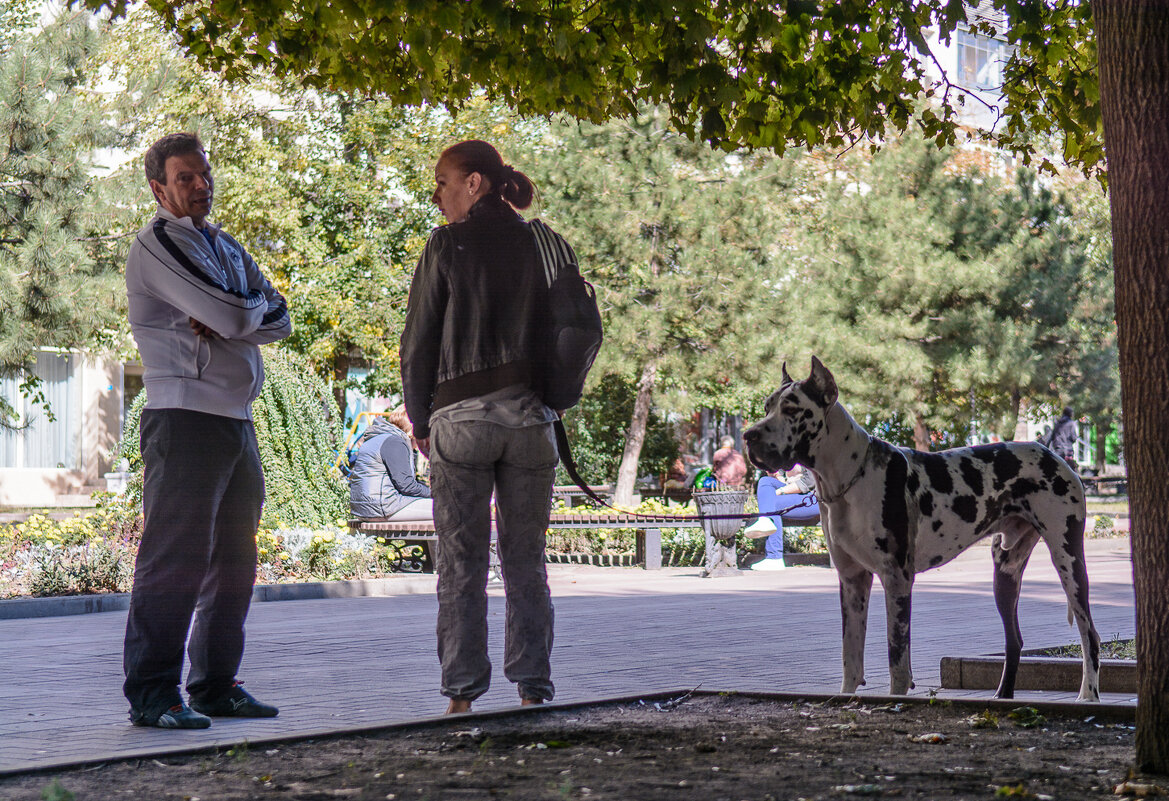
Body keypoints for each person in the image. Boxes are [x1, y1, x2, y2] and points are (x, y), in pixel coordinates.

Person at [121, 132, 291, 729]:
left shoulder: (225, 246)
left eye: (204, 175)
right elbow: (241, 313)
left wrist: (234, 309)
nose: (200, 185)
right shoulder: (158, 244)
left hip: (235, 420)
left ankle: (216, 685)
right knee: (175, 560)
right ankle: (152, 694)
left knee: (235, 562)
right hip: (183, 417)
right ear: (159, 188)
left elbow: (280, 317)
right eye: (185, 177)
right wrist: (240, 309)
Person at [400, 139, 563, 715]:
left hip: (460, 423)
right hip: (531, 424)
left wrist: (419, 417)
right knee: (526, 560)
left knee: (461, 561)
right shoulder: (542, 243)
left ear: (474, 183)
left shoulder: (446, 245)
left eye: (443, 182)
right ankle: (532, 688)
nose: (437, 195)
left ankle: (462, 696)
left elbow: (419, 339)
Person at [349, 406, 433, 522]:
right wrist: (434, 493)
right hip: (382, 507)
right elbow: (407, 486)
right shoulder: (395, 442)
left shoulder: (380, 436)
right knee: (446, 509)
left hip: (366, 507)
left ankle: (426, 541)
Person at [744, 465, 820, 571]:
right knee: (765, 481)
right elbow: (782, 477)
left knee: (772, 504)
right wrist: (776, 475)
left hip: (813, 498)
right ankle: (765, 521)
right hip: (791, 492)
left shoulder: (807, 451)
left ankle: (774, 558)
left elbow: (810, 482)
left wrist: (780, 491)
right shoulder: (785, 453)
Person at [1046, 406, 1080, 471]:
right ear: (1070, 414)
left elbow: (1052, 436)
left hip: (1058, 448)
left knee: (1059, 467)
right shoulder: (1071, 423)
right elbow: (1073, 437)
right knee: (1069, 469)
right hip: (1068, 449)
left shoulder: (1057, 423)